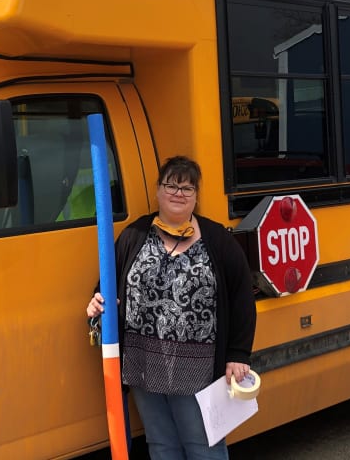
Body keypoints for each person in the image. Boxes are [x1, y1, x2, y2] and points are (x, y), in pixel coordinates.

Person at [86, 155, 257, 460]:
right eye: (171, 185)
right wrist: (98, 301)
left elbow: (242, 296)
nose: (178, 193)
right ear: (158, 190)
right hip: (142, 363)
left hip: (197, 368)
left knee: (204, 446)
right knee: (161, 445)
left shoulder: (217, 239)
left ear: (196, 197)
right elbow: (107, 285)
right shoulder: (135, 235)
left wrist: (238, 354)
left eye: (187, 188)